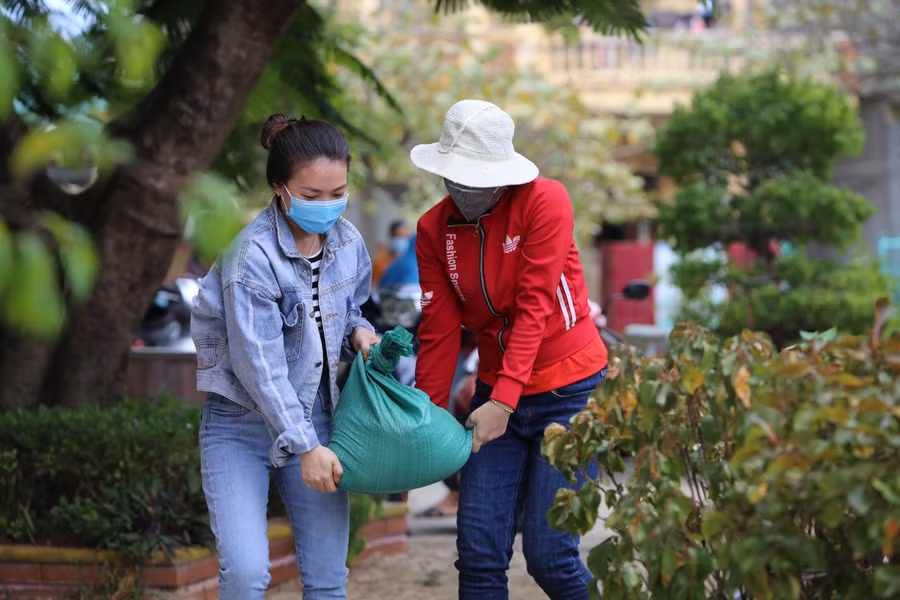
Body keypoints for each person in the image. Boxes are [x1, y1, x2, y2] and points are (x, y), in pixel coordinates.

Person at [411, 99, 609, 599]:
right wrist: (431, 419)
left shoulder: (546, 200)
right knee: (477, 555)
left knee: (551, 557)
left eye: (473, 178)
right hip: (495, 393)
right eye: (452, 177)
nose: (460, 188)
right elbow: (437, 329)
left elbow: (535, 306)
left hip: (569, 390)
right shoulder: (433, 229)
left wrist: (503, 400)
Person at [190, 114, 379, 600]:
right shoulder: (249, 256)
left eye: (338, 193)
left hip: (315, 413)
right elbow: (260, 366)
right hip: (241, 422)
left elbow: (346, 308)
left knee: (327, 579)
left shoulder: (350, 243)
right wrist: (305, 446)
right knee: (249, 574)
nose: (328, 206)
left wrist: (359, 331)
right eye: (312, 196)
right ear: (280, 187)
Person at [371, 219, 411, 284]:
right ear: (391, 237)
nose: (402, 240)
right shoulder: (380, 263)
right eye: (398, 236)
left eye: (406, 237)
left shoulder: (414, 263)